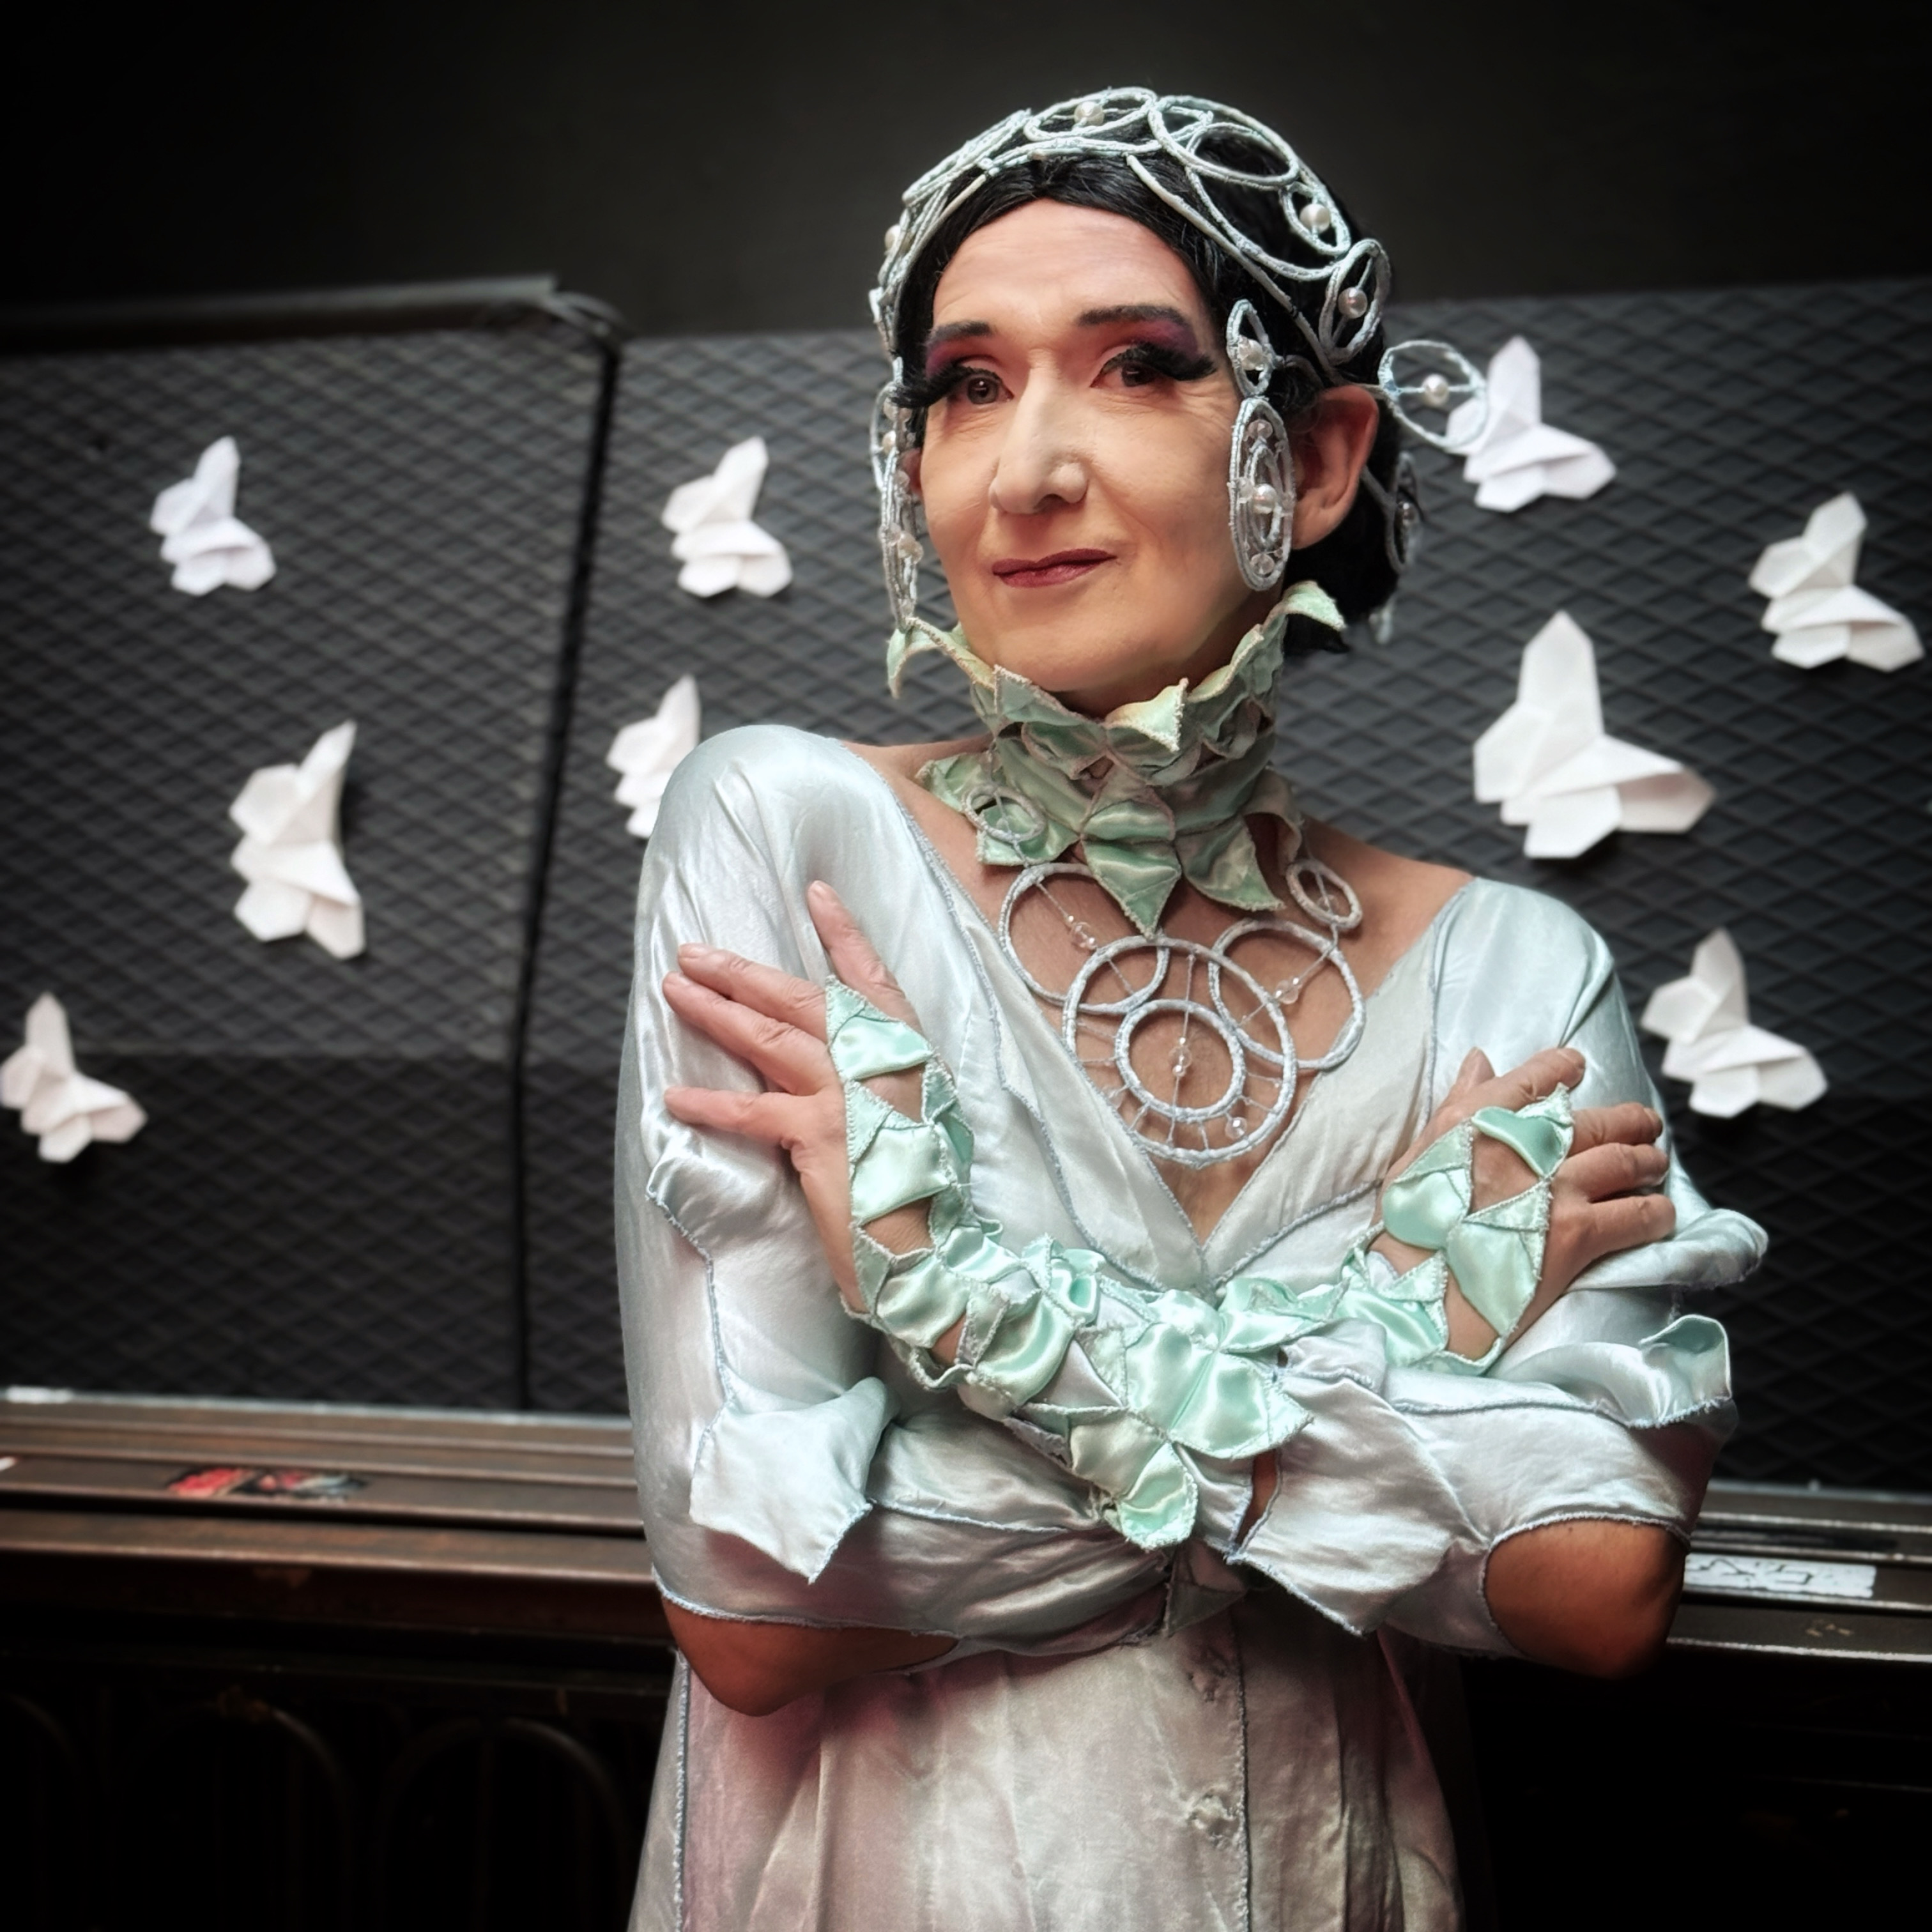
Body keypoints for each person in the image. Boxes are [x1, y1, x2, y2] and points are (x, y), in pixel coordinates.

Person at [615, 90, 1763, 1931]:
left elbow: (1593, 1585)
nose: (1024, 470)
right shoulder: (786, 833)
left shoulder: (1515, 970)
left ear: (1315, 455)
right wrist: (1408, 1321)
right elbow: (760, 1599)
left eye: (1138, 366)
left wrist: (956, 1296)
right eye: (966, 386)